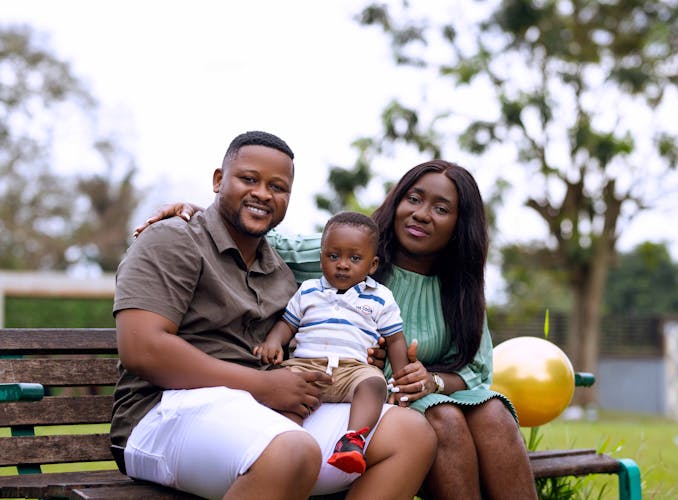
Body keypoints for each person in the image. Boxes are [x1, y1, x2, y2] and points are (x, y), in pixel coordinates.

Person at [139, 159, 538, 499]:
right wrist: (201, 211)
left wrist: (431, 381)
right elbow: (264, 235)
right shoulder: (353, 254)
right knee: (446, 421)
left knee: (493, 413)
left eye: (440, 208)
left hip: (423, 395)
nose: (420, 213)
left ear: (459, 223)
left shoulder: (461, 289)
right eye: (413, 199)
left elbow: (477, 372)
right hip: (357, 395)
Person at [111, 130, 436, 500]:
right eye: (249, 179)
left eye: (278, 187)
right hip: (162, 415)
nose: (263, 194)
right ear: (219, 180)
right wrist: (264, 386)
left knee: (412, 433)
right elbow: (142, 349)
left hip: (261, 412)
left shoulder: (280, 272)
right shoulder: (173, 240)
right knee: (292, 450)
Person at [254, 210, 408, 475]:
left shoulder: (380, 297)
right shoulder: (309, 290)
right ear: (321, 256)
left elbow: (395, 340)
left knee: (373, 384)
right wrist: (273, 341)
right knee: (285, 387)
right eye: (333, 256)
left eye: (355, 258)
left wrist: (401, 380)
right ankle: (282, 445)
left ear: (372, 265)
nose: (343, 264)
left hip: (352, 370)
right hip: (306, 366)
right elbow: (287, 324)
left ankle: (352, 440)